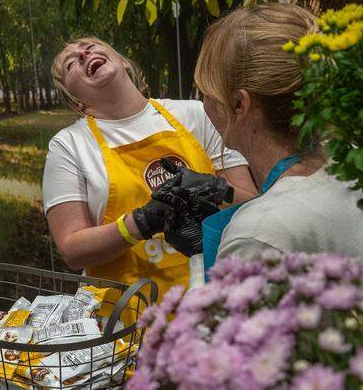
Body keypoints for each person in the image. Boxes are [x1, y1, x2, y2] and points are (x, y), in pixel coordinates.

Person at [43, 37, 255, 296]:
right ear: (76, 101)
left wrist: (215, 189)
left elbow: (253, 205)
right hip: (126, 320)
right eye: (70, 63)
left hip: (214, 302)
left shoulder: (196, 114)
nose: (84, 53)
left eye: (91, 46)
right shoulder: (69, 145)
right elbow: (72, 250)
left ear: (122, 60)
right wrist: (140, 223)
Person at [188, 3, 363, 273]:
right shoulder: (354, 161)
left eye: (205, 90)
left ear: (239, 104)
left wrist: (199, 265)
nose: (204, 103)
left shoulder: (258, 235)